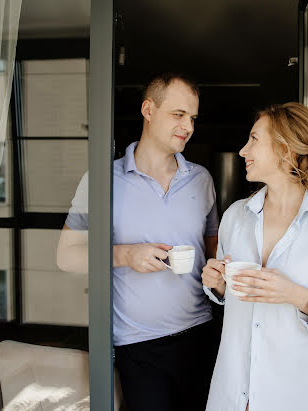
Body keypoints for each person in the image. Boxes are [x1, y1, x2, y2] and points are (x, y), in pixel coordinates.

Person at [57, 73, 219, 411]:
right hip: (138, 345)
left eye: (192, 118)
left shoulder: (201, 180)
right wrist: (125, 254)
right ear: (148, 109)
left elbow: (212, 252)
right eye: (178, 115)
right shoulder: (101, 181)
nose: (187, 126)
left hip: (200, 336)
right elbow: (66, 257)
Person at [201, 102, 308, 410]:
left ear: (285, 150)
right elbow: (227, 292)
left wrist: (296, 295)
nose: (242, 150)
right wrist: (217, 284)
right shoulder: (236, 216)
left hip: (303, 395)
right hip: (236, 394)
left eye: (253, 140)